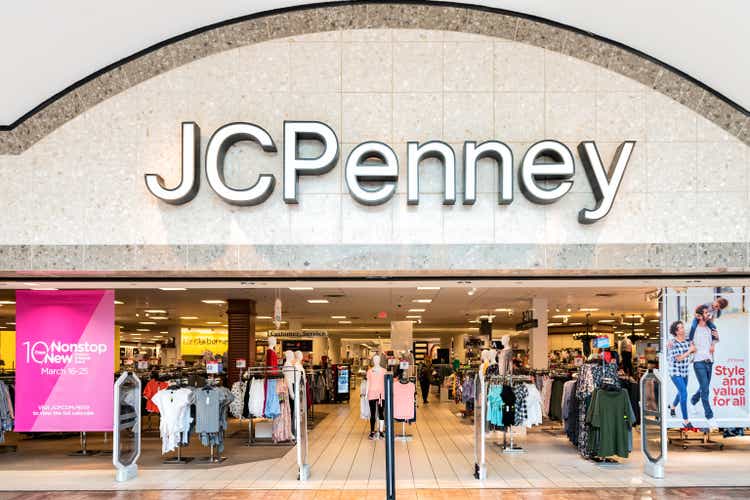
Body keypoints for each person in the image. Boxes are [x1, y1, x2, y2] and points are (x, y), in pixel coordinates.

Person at [690, 304, 718, 429]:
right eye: (706, 313)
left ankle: (693, 400)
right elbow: (680, 337)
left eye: (708, 313)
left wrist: (714, 342)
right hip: (698, 361)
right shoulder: (693, 328)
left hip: (709, 361)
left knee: (704, 386)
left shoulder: (710, 327)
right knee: (705, 389)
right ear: (699, 315)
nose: (708, 315)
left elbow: (716, 339)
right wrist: (670, 343)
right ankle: (709, 416)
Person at [667, 321, 696, 429]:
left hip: (684, 370)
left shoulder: (687, 340)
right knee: (684, 392)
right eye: (681, 328)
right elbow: (678, 358)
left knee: (681, 392)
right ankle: (686, 420)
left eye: (683, 327)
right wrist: (690, 351)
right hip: (675, 371)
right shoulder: (672, 343)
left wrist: (692, 350)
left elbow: (693, 349)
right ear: (676, 331)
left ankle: (673, 407)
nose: (683, 329)